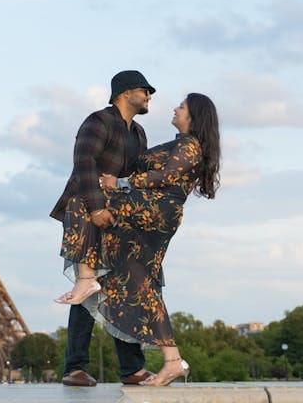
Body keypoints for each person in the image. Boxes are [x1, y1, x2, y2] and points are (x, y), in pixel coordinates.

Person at [90, 92, 222, 386]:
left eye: (182, 106)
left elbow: (167, 175)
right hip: (151, 211)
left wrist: (119, 182)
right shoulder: (181, 144)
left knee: (87, 201)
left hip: (155, 210)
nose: (176, 108)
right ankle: (172, 360)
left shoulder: (189, 145)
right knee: (141, 281)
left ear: (194, 116)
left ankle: (85, 277)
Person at [50, 70, 157, 387]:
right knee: (88, 287)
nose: (150, 95)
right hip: (88, 209)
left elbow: (136, 180)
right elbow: (84, 163)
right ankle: (75, 367)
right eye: (144, 89)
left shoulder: (139, 134)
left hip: (118, 217)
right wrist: (96, 206)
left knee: (121, 288)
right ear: (124, 93)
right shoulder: (97, 121)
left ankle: (131, 368)